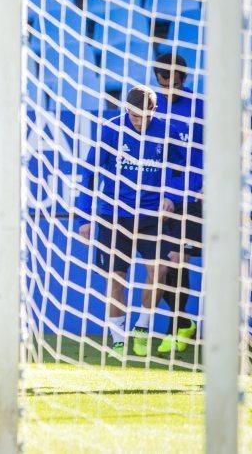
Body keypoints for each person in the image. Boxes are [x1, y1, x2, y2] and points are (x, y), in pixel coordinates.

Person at [75, 85, 189, 358]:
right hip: (114, 216)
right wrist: (84, 217)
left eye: (143, 117)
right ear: (126, 110)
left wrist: (170, 196)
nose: (138, 122)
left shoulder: (166, 132)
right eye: (134, 116)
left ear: (154, 111)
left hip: (151, 217)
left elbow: (182, 170)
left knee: (160, 270)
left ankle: (142, 326)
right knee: (117, 279)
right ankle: (117, 337)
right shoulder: (111, 130)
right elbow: (90, 173)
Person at [154, 52, 203, 354]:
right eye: (162, 81)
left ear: (183, 78)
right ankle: (183, 322)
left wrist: (183, 192)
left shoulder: (200, 108)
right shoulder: (153, 106)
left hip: (191, 196)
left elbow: (203, 156)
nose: (167, 87)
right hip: (158, 198)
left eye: (172, 81)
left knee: (177, 259)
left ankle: (176, 327)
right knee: (159, 265)